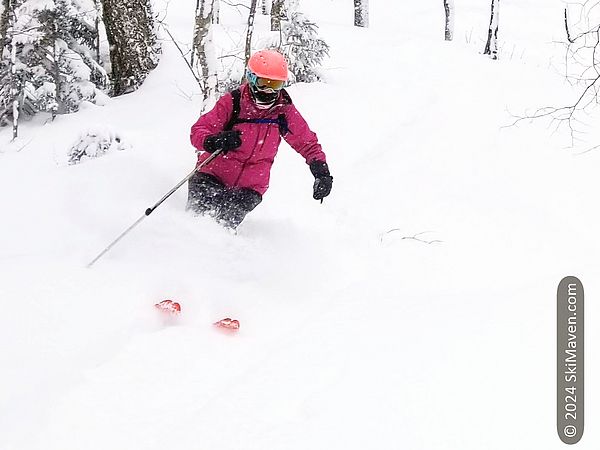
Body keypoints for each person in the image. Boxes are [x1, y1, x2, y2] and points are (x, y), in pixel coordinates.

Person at [188, 49, 333, 229]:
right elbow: (199, 131)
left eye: (276, 84)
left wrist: (321, 172)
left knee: (222, 226)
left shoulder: (283, 111)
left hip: (249, 189)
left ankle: (221, 254)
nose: (269, 90)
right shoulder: (233, 102)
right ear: (252, 78)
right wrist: (215, 140)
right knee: (197, 223)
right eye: (265, 82)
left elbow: (307, 142)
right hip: (211, 176)